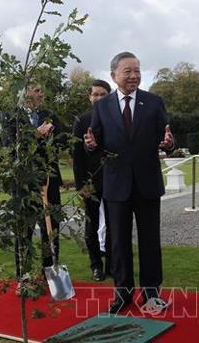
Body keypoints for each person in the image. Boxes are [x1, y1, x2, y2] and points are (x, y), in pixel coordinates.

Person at [84, 52, 175, 314]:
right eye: (128, 71)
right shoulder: (101, 107)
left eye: (137, 70)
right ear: (114, 75)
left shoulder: (154, 102)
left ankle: (151, 294)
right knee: (118, 243)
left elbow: (166, 138)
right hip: (115, 185)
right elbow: (95, 142)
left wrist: (169, 144)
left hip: (147, 184)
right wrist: (90, 146)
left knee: (150, 241)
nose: (134, 75)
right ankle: (122, 294)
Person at [1, 82, 64, 278]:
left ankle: (50, 273)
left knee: (51, 226)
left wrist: (54, 139)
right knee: (24, 230)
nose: (41, 94)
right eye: (37, 90)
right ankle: (24, 275)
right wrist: (37, 133)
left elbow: (64, 138)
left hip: (49, 178)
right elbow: (9, 145)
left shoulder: (49, 115)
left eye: (42, 90)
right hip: (23, 181)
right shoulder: (10, 116)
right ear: (25, 93)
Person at [72, 79, 112, 281]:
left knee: (115, 225)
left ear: (109, 96)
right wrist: (81, 185)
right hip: (90, 182)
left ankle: (112, 264)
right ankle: (96, 266)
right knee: (92, 225)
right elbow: (76, 156)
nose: (97, 98)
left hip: (114, 180)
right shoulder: (82, 120)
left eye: (102, 94)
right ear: (89, 97)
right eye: (94, 94)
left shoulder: (117, 119)